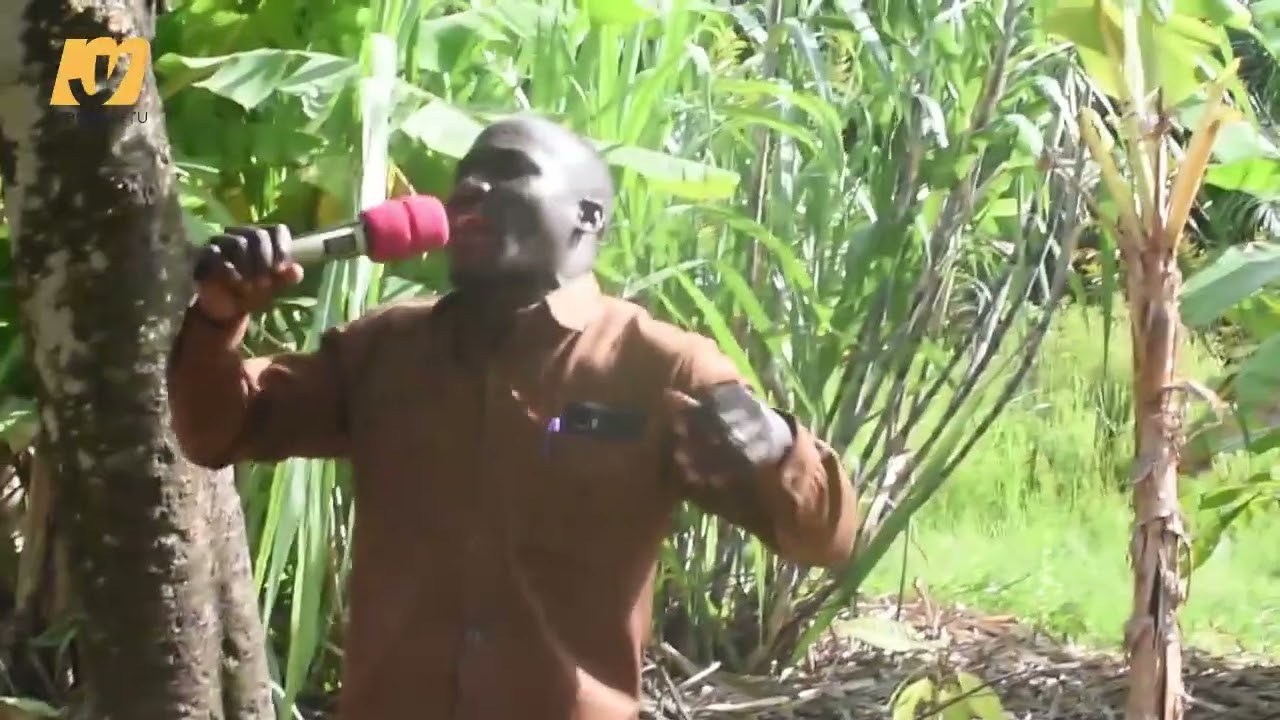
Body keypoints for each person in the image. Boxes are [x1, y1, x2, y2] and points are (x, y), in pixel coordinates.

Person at [166, 114, 860, 720]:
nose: (471, 188)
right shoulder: (384, 351)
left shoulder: (660, 367)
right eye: (465, 177)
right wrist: (219, 318)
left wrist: (776, 443)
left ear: (588, 216)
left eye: (509, 173)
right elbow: (217, 429)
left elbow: (824, 538)